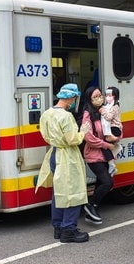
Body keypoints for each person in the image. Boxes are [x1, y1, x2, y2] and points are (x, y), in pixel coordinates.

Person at [35, 83, 90, 243]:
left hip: (54, 153)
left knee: (58, 192)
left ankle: (58, 227)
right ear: (70, 98)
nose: (74, 101)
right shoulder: (66, 116)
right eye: (74, 98)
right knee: (74, 192)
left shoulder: (47, 113)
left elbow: (45, 135)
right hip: (67, 156)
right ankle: (69, 230)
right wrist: (83, 132)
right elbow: (72, 139)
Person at [81, 86, 116, 225]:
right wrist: (106, 145)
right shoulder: (87, 115)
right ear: (89, 100)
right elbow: (88, 137)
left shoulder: (102, 112)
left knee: (100, 183)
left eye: (100, 95)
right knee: (108, 182)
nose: (99, 98)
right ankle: (90, 205)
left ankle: (92, 211)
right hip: (93, 155)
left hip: (103, 154)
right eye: (95, 97)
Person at [99, 86, 123, 176]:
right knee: (106, 146)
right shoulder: (109, 106)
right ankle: (112, 165)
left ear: (115, 96)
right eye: (106, 95)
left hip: (114, 129)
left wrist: (102, 111)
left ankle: (112, 165)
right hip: (113, 129)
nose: (107, 97)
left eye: (109, 95)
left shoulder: (115, 106)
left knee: (105, 146)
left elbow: (109, 117)